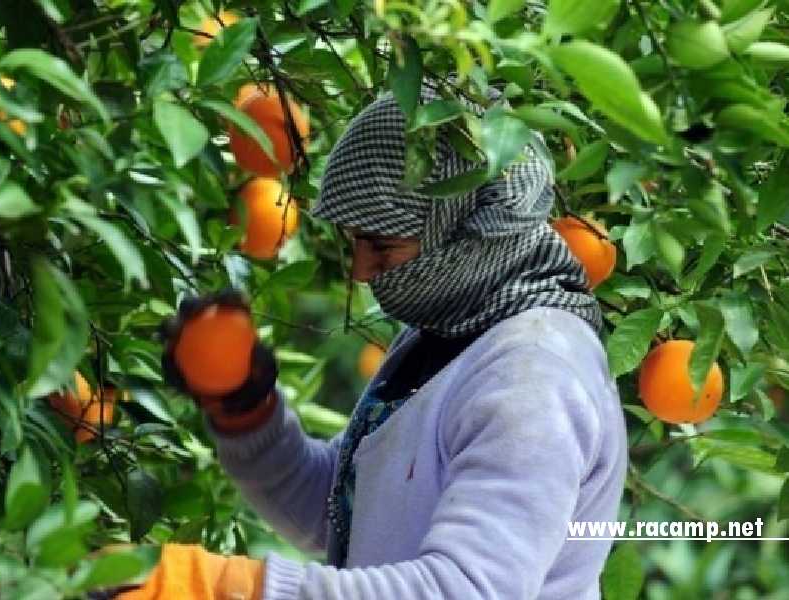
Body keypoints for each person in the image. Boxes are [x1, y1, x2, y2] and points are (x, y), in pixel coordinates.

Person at [107, 84, 629, 599]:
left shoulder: (535, 376)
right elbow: (342, 510)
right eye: (356, 242)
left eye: (381, 245)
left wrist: (228, 587)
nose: (360, 271)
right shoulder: (450, 335)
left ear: (462, 232)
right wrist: (246, 407)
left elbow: (463, 590)